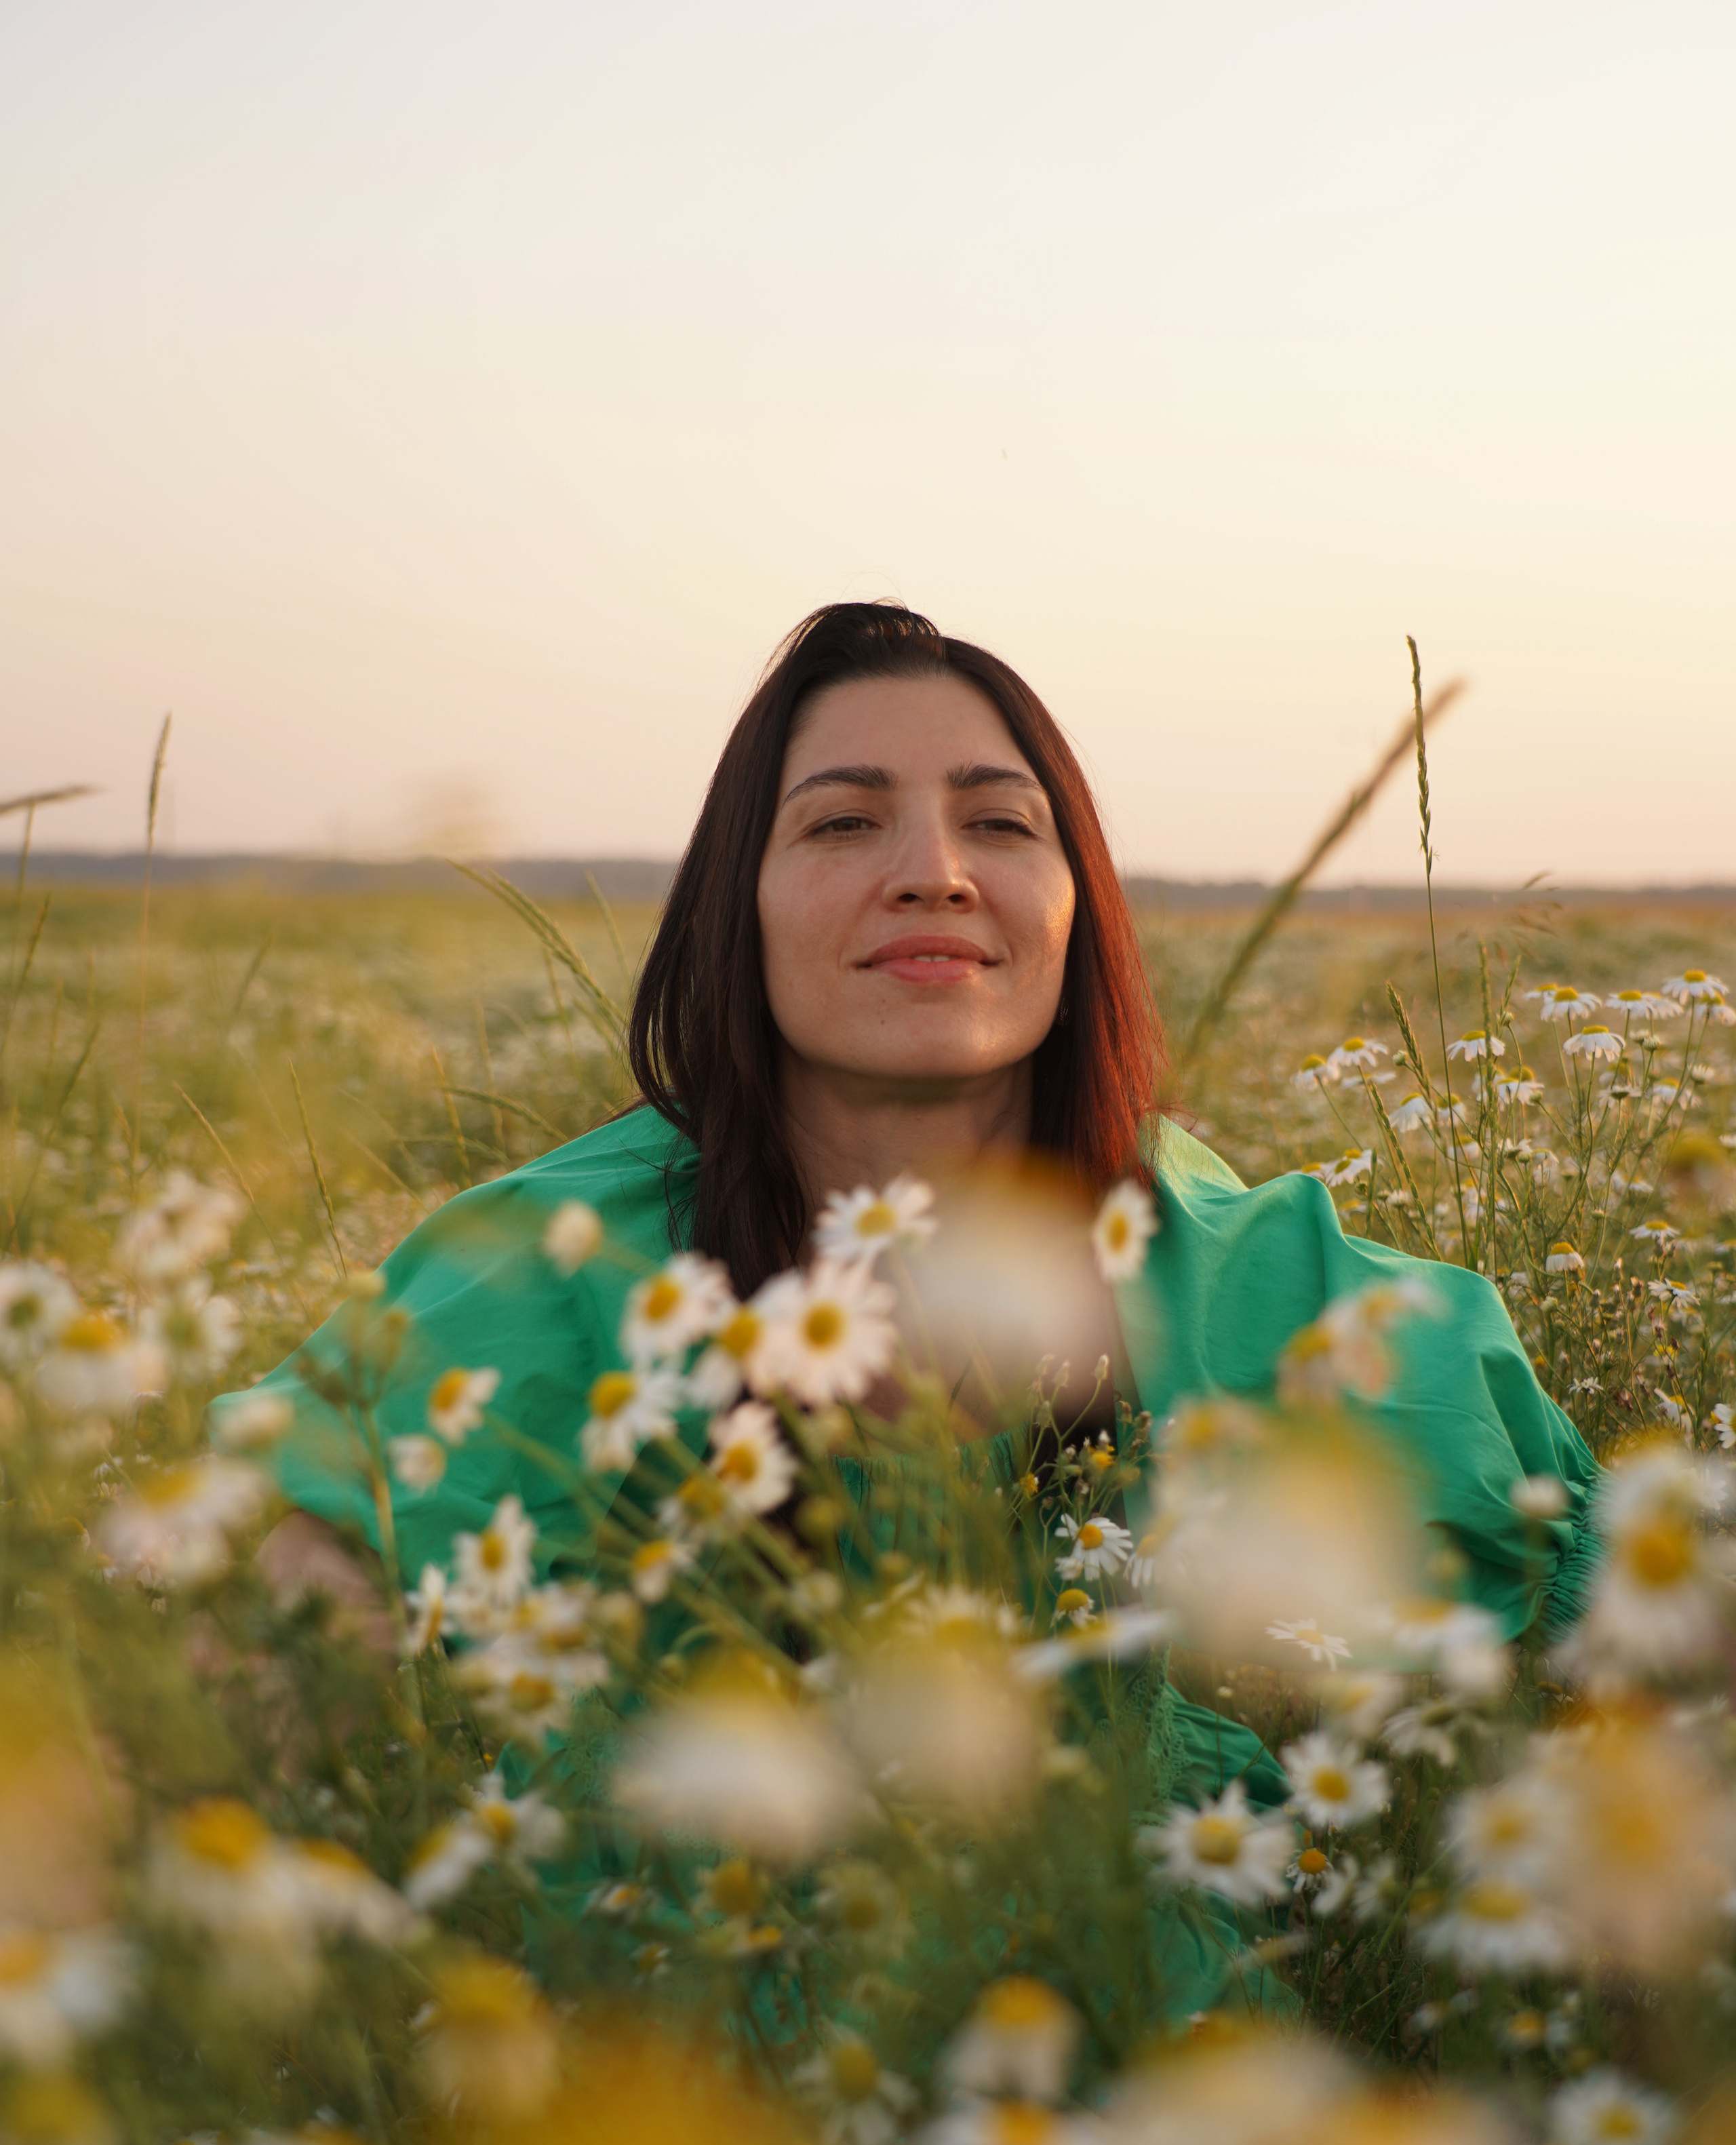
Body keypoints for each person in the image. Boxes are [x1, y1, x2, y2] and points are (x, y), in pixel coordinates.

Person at [226, 600, 1599, 2007]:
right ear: (732, 908)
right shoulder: (558, 1261)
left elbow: (1609, 1582)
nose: (932, 874)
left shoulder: (1250, 1276)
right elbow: (292, 1635)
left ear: (1078, 908)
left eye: (1000, 825)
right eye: (840, 825)